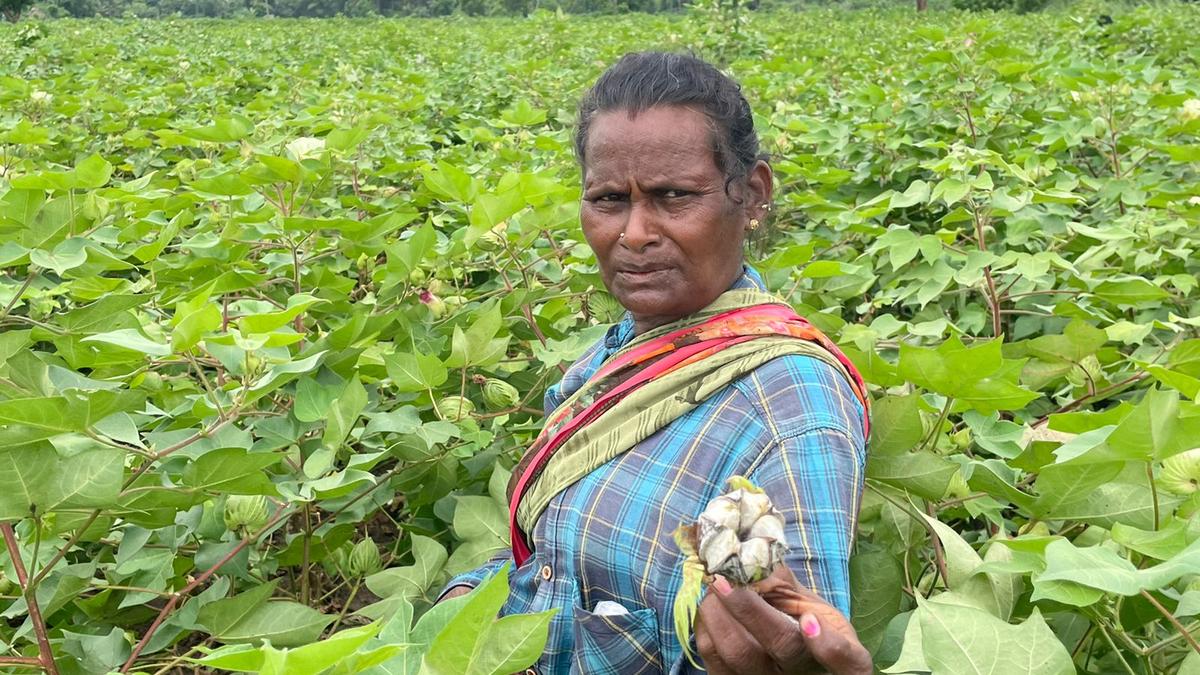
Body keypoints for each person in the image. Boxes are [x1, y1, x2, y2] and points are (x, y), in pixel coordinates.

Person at [440, 51, 873, 675]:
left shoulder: (791, 406)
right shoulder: (612, 354)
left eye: (673, 196)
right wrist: (463, 601)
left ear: (751, 194)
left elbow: (782, 632)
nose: (635, 232)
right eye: (610, 199)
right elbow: (549, 562)